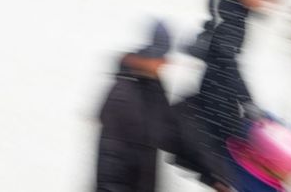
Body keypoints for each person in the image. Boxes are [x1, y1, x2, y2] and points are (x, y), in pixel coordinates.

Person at [181, 0, 282, 192]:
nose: (265, 3)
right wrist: (247, 101)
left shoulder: (233, 10)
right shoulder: (233, 22)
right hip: (219, 95)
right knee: (227, 157)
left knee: (223, 157)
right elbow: (229, 65)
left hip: (216, 89)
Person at [96, 21, 227, 192]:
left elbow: (172, 137)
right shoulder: (122, 97)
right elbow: (111, 159)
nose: (164, 62)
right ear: (141, 57)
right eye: (158, 55)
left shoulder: (151, 88)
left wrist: (210, 176)